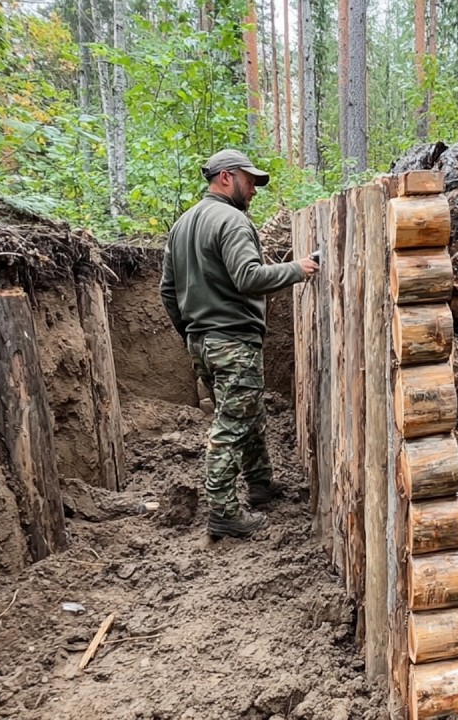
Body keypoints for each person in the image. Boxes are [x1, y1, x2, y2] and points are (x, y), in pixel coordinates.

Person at [160, 149, 319, 538]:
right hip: (231, 339)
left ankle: (261, 484)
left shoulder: (182, 225)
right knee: (231, 424)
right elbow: (248, 277)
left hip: (204, 342)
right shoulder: (231, 221)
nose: (254, 190)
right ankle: (224, 512)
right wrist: (297, 269)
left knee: (248, 414)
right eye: (250, 181)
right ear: (226, 177)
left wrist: (192, 334)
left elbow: (167, 290)